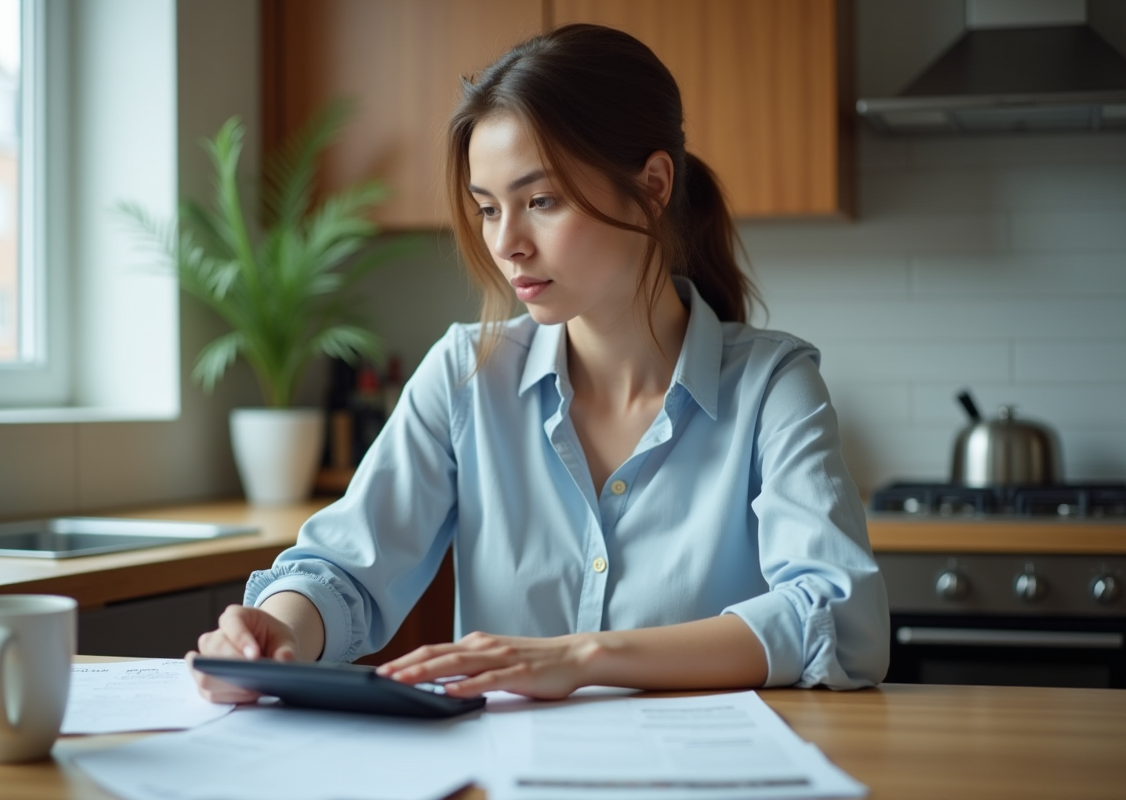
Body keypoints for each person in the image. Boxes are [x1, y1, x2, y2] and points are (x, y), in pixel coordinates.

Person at [189, 23, 889, 703]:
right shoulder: (465, 374)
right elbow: (344, 569)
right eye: (488, 208)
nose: (506, 244)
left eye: (542, 201)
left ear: (653, 185)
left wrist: (582, 658)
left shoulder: (773, 386)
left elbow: (839, 615)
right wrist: (278, 629)